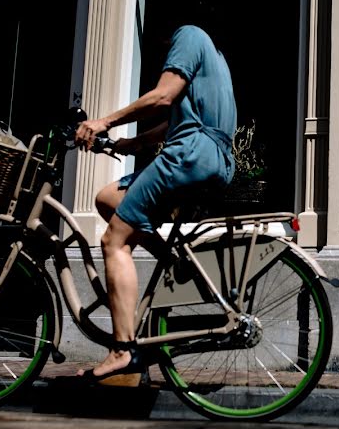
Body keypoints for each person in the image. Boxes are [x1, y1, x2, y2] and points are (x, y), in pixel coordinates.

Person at [74, 23, 237, 380]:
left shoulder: (189, 36)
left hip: (190, 156)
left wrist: (104, 122)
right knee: (106, 199)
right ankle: (172, 259)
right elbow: (177, 117)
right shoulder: (215, 56)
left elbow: (163, 97)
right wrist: (136, 143)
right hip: (212, 157)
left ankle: (121, 350)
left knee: (113, 240)